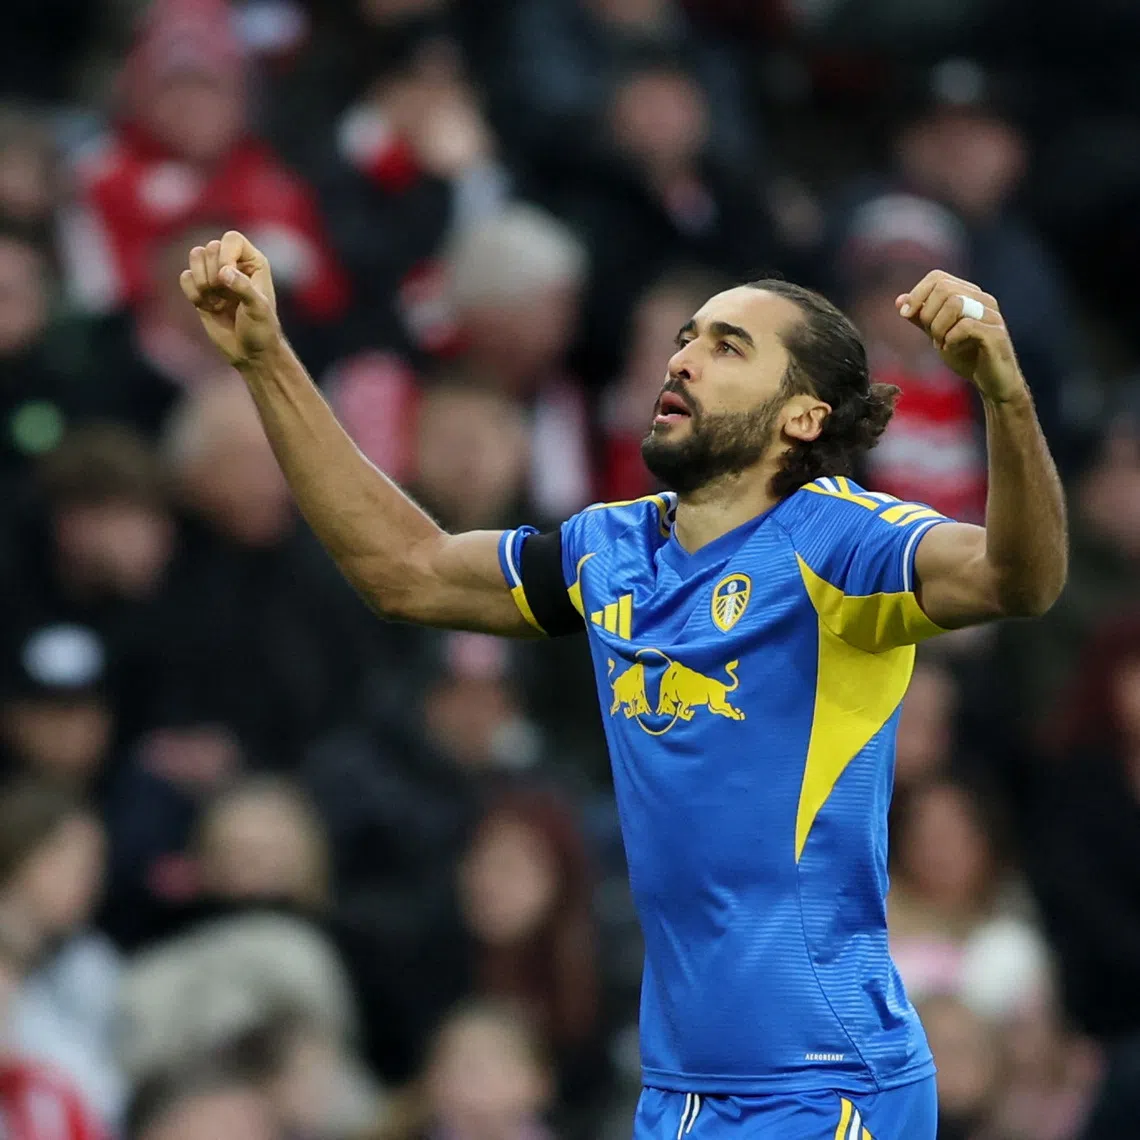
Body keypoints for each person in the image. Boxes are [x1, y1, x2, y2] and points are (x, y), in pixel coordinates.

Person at [178, 231, 1067, 1140]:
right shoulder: (611, 549)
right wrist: (266, 360)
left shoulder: (843, 543)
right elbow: (407, 570)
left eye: (728, 347)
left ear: (803, 416)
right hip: (677, 1088)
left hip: (825, 1081)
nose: (683, 358)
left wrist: (1003, 394)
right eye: (687, 336)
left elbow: (1019, 580)